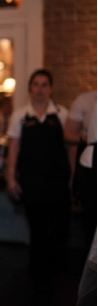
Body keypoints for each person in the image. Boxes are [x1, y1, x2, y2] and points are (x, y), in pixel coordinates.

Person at [6, 69, 70, 301]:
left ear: (50, 89)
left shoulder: (63, 114)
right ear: (30, 88)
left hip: (58, 183)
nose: (40, 89)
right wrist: (11, 178)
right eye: (36, 84)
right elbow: (13, 149)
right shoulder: (20, 116)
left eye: (44, 84)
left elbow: (70, 150)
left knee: (59, 231)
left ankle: (55, 278)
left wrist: (72, 178)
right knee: (37, 231)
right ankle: (38, 283)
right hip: (32, 183)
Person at [64, 90, 97, 248]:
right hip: (90, 162)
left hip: (90, 159)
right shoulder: (87, 100)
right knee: (91, 219)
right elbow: (68, 134)